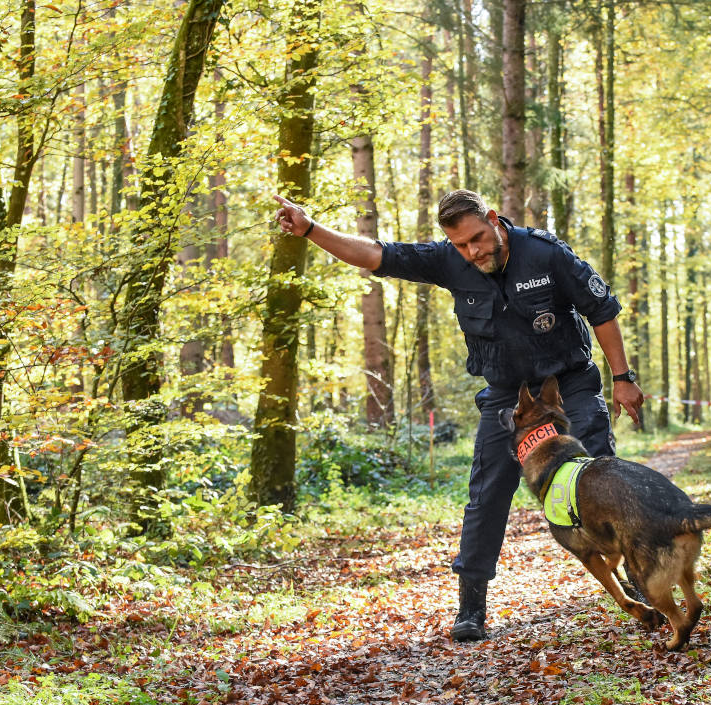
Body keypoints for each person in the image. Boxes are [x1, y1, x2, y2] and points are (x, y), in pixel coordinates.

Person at [273, 190, 645, 642]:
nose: (472, 252)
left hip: (568, 386)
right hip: (508, 396)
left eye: (477, 239)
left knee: (600, 477)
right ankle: (471, 605)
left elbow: (601, 311)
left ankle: (639, 575)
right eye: (461, 245)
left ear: (493, 220)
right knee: (486, 495)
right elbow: (374, 255)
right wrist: (311, 229)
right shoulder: (448, 260)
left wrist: (622, 377)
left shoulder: (545, 254)